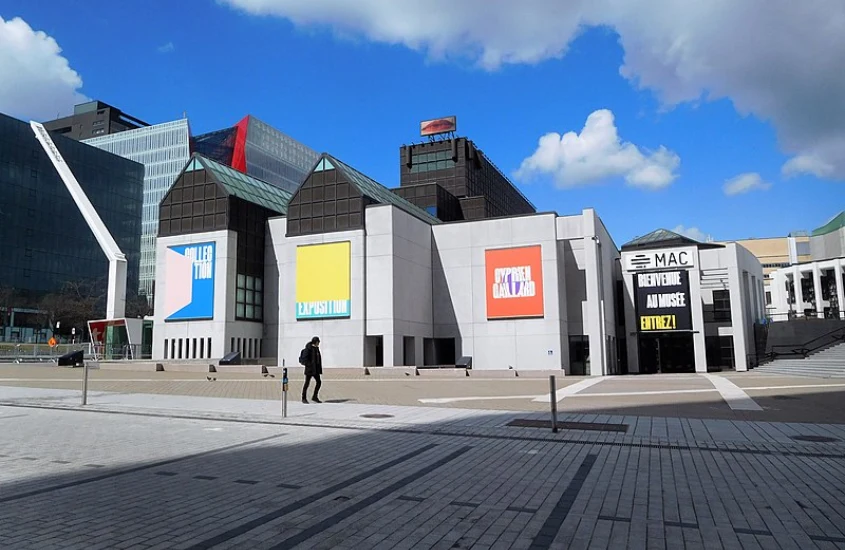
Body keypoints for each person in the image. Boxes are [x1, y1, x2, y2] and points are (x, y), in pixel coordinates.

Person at [301, 336, 323, 404]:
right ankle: (303, 398)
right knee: (307, 383)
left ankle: (315, 396)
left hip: (315, 370)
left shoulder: (316, 349)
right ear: (316, 342)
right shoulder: (308, 349)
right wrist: (310, 365)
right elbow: (305, 359)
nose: (319, 343)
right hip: (309, 370)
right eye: (318, 342)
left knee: (319, 382)